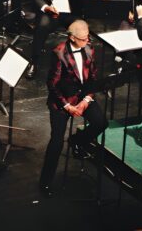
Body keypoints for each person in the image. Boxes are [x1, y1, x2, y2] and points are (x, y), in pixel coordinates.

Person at [38, 19, 108, 198]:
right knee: (56, 142)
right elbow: (52, 85)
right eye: (84, 39)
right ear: (72, 38)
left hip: (82, 96)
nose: (88, 42)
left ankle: (78, 141)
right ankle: (44, 182)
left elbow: (92, 79)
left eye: (88, 38)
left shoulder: (89, 49)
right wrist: (68, 106)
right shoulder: (59, 53)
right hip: (62, 100)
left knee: (101, 123)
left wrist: (86, 100)